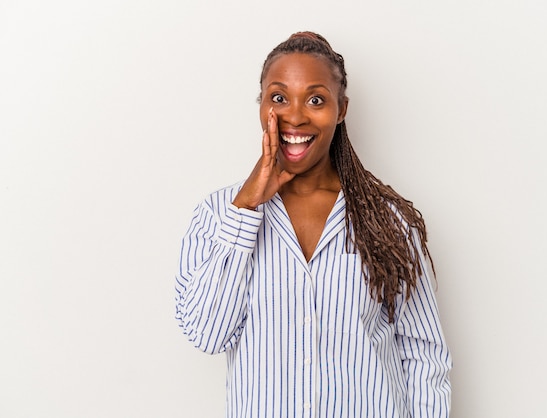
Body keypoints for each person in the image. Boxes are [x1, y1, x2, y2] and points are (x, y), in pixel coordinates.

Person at [175, 32, 452, 418]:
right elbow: (206, 334)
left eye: (316, 99)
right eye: (279, 97)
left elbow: (423, 355)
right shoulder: (217, 213)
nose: (296, 115)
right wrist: (246, 208)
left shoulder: (388, 220)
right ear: (262, 105)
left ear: (341, 109)